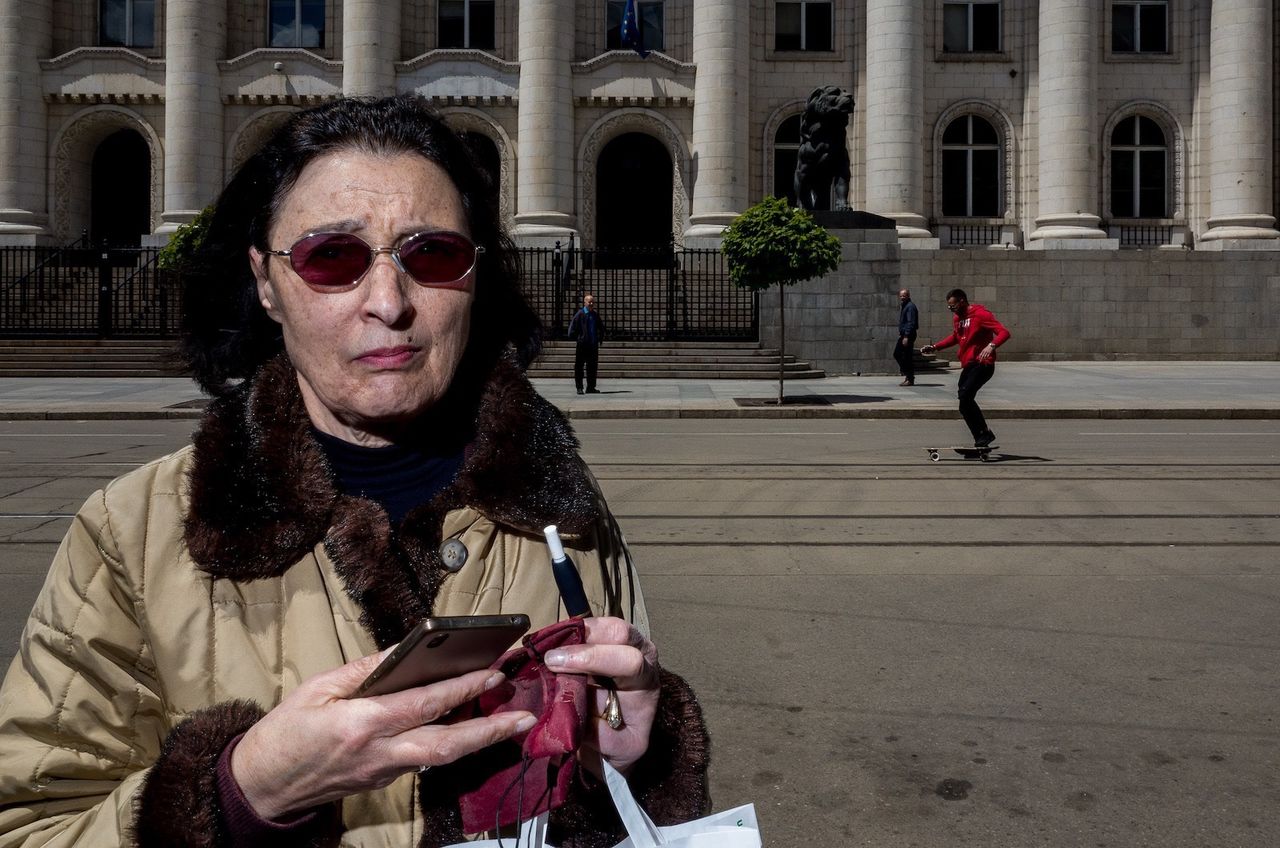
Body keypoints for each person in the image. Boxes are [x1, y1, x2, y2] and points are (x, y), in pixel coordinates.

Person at [0, 96, 709, 847]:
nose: (388, 302)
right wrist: (244, 794)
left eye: (430, 255)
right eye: (332, 257)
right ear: (267, 283)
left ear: (475, 277)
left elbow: (620, 799)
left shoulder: (564, 510)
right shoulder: (129, 532)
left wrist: (634, 759)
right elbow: (32, 824)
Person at [921, 288, 1011, 448]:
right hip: (968, 365)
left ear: (962, 301)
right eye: (949, 307)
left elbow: (1004, 332)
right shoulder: (958, 319)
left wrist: (991, 346)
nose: (951, 310)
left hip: (983, 364)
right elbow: (955, 337)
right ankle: (981, 438)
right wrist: (935, 347)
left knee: (965, 395)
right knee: (963, 403)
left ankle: (985, 433)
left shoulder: (981, 315)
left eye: (953, 306)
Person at [567, 293, 605, 394]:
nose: (591, 304)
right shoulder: (580, 314)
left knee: (592, 367)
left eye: (592, 302)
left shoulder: (595, 314)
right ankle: (579, 387)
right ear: (585, 303)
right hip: (583, 345)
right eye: (589, 302)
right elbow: (572, 329)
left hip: (593, 345)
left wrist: (600, 338)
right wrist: (579, 339)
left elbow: (601, 327)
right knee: (579, 367)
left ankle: (591, 387)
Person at [893, 288, 918, 386]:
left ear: (908, 296)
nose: (902, 297)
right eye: (901, 296)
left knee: (901, 354)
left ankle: (909, 377)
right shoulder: (905, 306)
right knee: (902, 355)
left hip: (908, 335)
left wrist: (906, 336)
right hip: (905, 334)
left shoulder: (910, 307)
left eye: (904, 295)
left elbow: (910, 322)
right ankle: (908, 376)